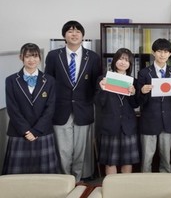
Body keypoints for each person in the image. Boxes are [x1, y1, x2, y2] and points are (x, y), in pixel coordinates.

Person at [45, 20, 101, 182]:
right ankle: (65, 181)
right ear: (64, 36)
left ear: (83, 36)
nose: (74, 34)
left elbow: (96, 84)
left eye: (77, 31)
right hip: (60, 110)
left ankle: (77, 180)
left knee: (80, 149)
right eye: (70, 31)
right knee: (63, 150)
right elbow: (48, 83)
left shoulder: (92, 57)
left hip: (83, 109)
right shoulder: (54, 56)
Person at [3, 43, 59, 174]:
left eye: (35, 56)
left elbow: (50, 108)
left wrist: (36, 130)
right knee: (17, 174)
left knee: (45, 173)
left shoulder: (49, 80)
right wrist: (26, 131)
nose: (31, 60)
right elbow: (12, 108)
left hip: (43, 131)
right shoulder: (11, 80)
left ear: (40, 58)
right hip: (19, 132)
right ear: (21, 57)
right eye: (28, 56)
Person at [137, 38, 171, 173]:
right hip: (149, 120)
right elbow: (138, 101)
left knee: (166, 157)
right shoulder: (144, 73)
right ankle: (145, 184)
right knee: (147, 157)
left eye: (166, 51)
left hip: (168, 121)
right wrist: (142, 91)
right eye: (159, 51)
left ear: (170, 54)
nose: (162, 55)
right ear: (153, 53)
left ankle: (166, 184)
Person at [95, 48, 140, 175]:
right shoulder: (103, 79)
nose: (123, 62)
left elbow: (136, 104)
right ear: (115, 60)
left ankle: (125, 188)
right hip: (110, 125)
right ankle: (111, 188)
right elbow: (98, 103)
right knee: (111, 161)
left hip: (128, 125)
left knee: (127, 160)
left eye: (126, 60)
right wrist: (103, 89)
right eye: (120, 59)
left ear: (130, 64)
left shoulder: (133, 81)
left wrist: (133, 93)